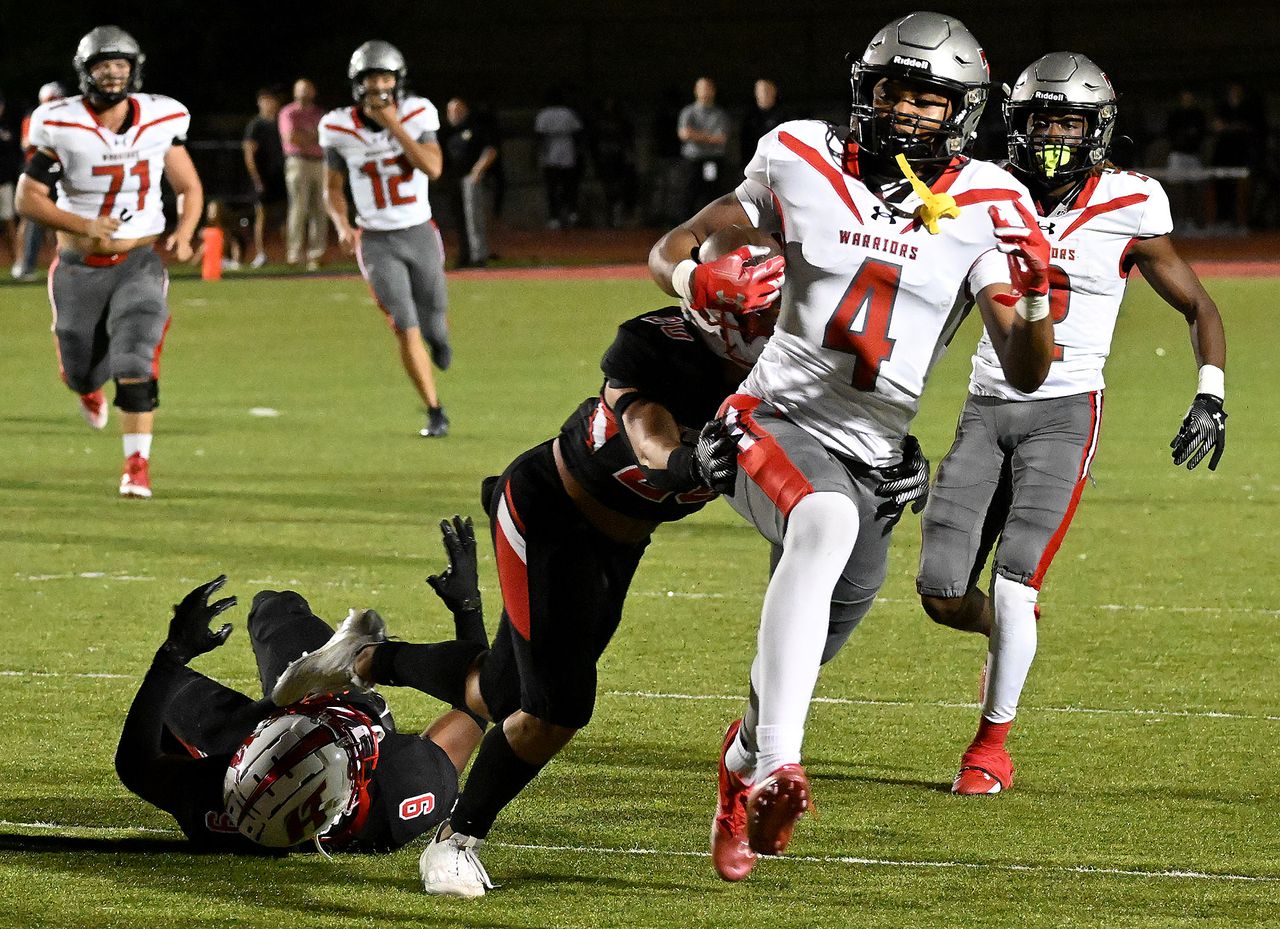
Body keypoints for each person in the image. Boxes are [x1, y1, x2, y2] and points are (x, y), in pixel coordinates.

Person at [268, 227, 855, 897]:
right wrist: (690, 463)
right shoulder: (655, 347)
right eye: (766, 316)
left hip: (620, 542)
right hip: (549, 513)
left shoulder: (784, 364)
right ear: (726, 327)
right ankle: (456, 840)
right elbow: (648, 434)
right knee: (557, 707)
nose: (785, 326)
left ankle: (362, 657)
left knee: (500, 691)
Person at [649, 11, 1057, 880]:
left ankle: (743, 760)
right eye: (895, 90)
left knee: (798, 650)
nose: (908, 110)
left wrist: (1038, 304)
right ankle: (778, 767)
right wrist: (698, 280)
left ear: (965, 110)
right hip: (770, 414)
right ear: (865, 89)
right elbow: (672, 246)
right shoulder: (799, 152)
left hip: (875, 454)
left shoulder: (990, 198)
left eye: (930, 97)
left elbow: (1025, 369)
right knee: (824, 523)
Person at [916, 53, 1228, 795]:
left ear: (1097, 129)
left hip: (1064, 412)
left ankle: (990, 747)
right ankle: (1005, 635)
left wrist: (1210, 391)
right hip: (985, 408)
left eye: (1068, 120)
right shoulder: (981, 192)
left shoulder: (1131, 201)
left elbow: (1200, 306)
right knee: (939, 592)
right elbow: (939, 310)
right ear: (1013, 123)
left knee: (1018, 580)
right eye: (1039, 119)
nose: (1052, 134)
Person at [115, 519, 489, 853]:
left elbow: (136, 765)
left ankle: (278, 703)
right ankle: (348, 674)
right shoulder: (402, 791)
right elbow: (477, 704)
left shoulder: (224, 800)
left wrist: (172, 654)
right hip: (337, 700)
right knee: (278, 609)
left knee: (255, 620)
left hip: (248, 731)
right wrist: (468, 608)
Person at [16, 26, 203, 499]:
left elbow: (188, 186)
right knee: (82, 367)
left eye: (121, 65)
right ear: (86, 72)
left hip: (139, 260)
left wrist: (183, 231)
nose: (114, 73)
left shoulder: (162, 116)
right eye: (104, 65)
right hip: (79, 266)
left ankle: (136, 464)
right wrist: (83, 226)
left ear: (134, 69)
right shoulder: (59, 120)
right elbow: (28, 198)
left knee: (137, 355)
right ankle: (84, 385)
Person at [320, 41, 451, 439]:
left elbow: (433, 167)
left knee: (433, 321)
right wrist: (342, 224)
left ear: (398, 81)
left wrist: (394, 125)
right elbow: (332, 188)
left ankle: (439, 340)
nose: (379, 85)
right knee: (404, 324)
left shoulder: (417, 112)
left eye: (385, 77)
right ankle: (435, 409)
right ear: (357, 84)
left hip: (419, 231)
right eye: (371, 78)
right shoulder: (337, 126)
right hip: (376, 239)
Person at [12, 81, 66, 281]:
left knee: (61, 217)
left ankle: (62, 262)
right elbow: (27, 143)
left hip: (60, 173)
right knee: (31, 218)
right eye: (52, 99)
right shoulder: (36, 116)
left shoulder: (67, 117)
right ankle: (25, 264)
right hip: (37, 173)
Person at [441, 96, 498, 268]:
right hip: (454, 179)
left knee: (473, 217)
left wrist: (479, 169)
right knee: (459, 218)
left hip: (470, 178)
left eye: (457, 110)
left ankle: (478, 256)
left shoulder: (475, 128)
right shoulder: (447, 132)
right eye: (451, 111)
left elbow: (491, 149)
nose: (454, 114)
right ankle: (464, 255)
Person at [278, 77, 326, 269]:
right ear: (294, 92)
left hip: (320, 163)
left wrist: (306, 137)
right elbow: (291, 137)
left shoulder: (320, 113)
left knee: (320, 208)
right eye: (301, 89)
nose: (305, 93)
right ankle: (294, 253)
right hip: (298, 162)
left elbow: (326, 137)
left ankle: (316, 254)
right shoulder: (288, 112)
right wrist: (313, 137)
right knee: (299, 207)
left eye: (308, 89)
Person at [242, 87, 286, 268]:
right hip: (263, 177)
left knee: (285, 216)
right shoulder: (255, 125)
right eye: (266, 100)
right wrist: (256, 178)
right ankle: (261, 253)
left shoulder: (281, 122)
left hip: (281, 175)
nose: (270, 104)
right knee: (262, 216)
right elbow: (249, 153)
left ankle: (287, 254)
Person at [677, 77, 730, 217]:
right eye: (702, 88)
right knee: (689, 193)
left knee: (712, 193)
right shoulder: (688, 112)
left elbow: (721, 139)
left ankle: (713, 226)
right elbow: (684, 134)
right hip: (693, 160)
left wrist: (696, 135)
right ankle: (685, 227)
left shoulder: (720, 114)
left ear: (713, 91)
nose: (705, 91)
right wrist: (708, 137)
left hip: (712, 161)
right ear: (696, 91)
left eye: (708, 88)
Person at [533, 88, 583, 229]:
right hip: (566, 149)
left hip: (552, 151)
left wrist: (536, 154)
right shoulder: (567, 113)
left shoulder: (544, 114)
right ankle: (571, 214)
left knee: (553, 186)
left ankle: (556, 216)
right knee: (568, 185)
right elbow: (578, 133)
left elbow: (539, 136)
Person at [739, 79, 783, 167]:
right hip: (753, 162)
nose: (764, 94)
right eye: (761, 91)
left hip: (776, 162)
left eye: (767, 91)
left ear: (774, 92)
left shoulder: (782, 116)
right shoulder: (749, 117)